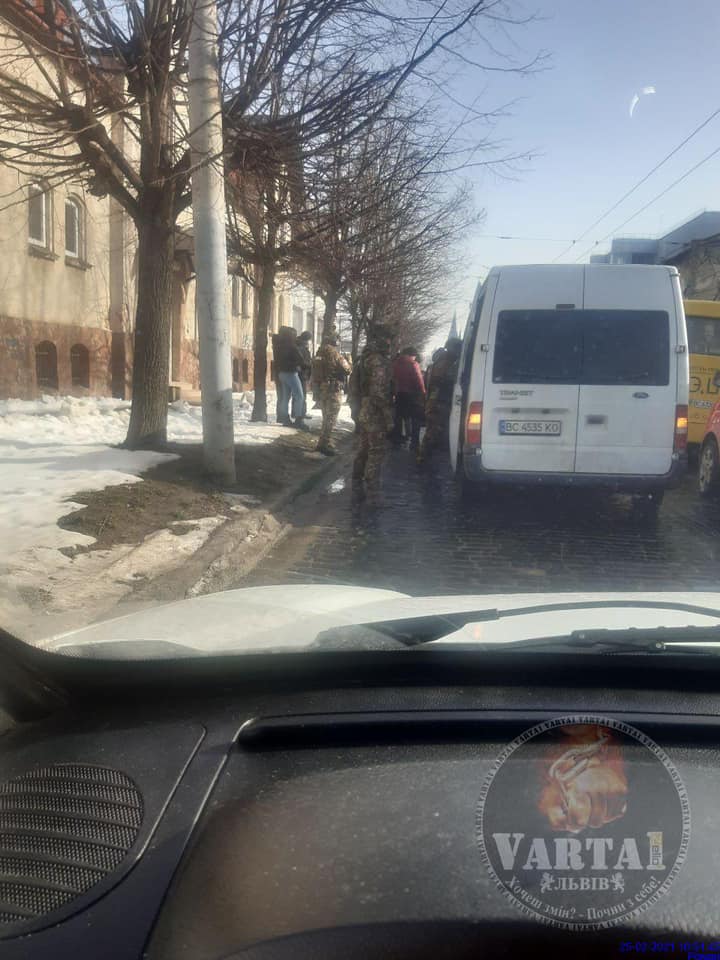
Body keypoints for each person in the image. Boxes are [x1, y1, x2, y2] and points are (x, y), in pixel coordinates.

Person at [353, 324, 394, 500]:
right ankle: (372, 488)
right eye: (389, 338)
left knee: (364, 446)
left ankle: (356, 479)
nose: (390, 342)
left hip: (363, 408)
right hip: (374, 411)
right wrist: (388, 416)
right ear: (383, 339)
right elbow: (378, 392)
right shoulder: (378, 360)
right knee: (376, 449)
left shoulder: (365, 357)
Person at [417, 336, 462, 462]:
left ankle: (425, 459)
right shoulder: (445, 362)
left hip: (435, 401)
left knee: (433, 431)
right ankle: (424, 460)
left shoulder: (440, 360)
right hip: (438, 402)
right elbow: (442, 382)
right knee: (433, 432)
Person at [312, 327, 351, 455]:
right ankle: (324, 444)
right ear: (335, 340)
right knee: (331, 418)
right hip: (333, 389)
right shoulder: (334, 353)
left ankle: (323, 442)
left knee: (325, 416)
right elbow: (347, 370)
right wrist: (349, 360)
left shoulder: (319, 352)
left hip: (322, 388)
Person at [391, 347, 426, 451]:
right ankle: (414, 442)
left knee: (398, 417)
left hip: (399, 394)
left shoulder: (395, 363)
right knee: (415, 418)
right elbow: (418, 380)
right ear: (412, 355)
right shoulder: (413, 364)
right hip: (412, 395)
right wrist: (423, 393)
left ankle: (396, 440)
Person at [273, 326, 307, 429]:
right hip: (291, 373)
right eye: (294, 334)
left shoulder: (278, 345)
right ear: (291, 335)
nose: (295, 336)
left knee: (285, 398)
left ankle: (285, 419)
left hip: (281, 374)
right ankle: (298, 420)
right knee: (299, 396)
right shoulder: (292, 346)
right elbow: (301, 360)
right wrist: (306, 365)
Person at [296, 330, 313, 419]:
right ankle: (301, 413)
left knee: (300, 394)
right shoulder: (301, 347)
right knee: (301, 395)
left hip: (302, 373)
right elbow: (302, 361)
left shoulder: (300, 345)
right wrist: (309, 365)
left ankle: (298, 412)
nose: (309, 342)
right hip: (302, 374)